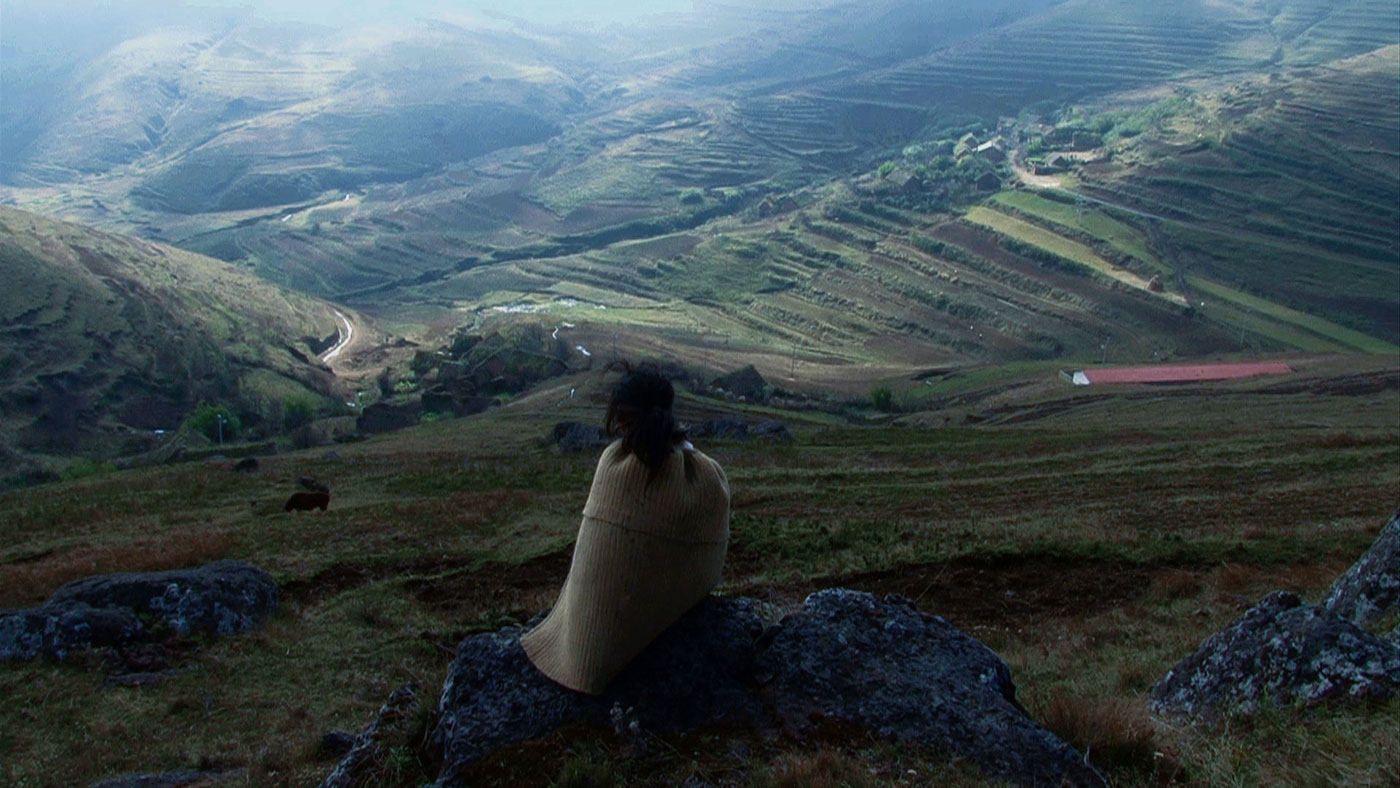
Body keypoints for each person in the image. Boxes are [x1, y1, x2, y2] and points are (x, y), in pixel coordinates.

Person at [521, 363, 731, 695]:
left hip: (580, 654)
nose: (617, 426)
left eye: (622, 418)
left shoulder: (615, 464)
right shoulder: (703, 477)